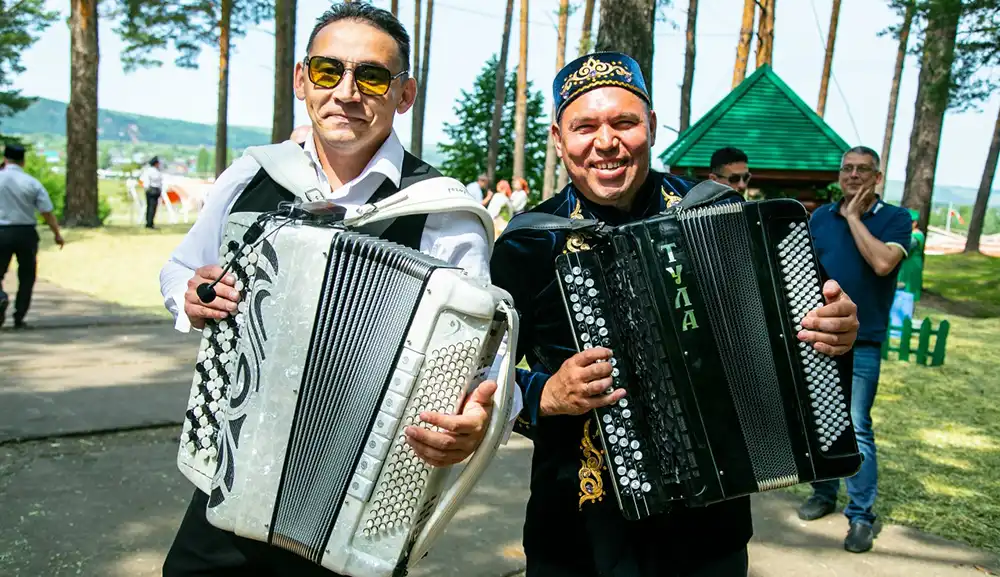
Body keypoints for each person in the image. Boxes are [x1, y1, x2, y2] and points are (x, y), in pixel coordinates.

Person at [158, 5, 520, 575]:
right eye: (328, 71)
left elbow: (489, 366)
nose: (346, 92)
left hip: (362, 504)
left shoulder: (444, 213)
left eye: (371, 77)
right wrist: (191, 294)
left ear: (404, 95)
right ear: (301, 80)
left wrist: (478, 419)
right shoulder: (252, 175)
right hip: (230, 472)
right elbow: (180, 268)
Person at [490, 52, 860, 577]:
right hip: (577, 524)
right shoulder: (527, 244)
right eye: (584, 127)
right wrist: (543, 395)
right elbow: (478, 375)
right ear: (557, 137)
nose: (605, 142)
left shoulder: (718, 210)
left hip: (709, 530)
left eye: (624, 123)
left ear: (651, 125)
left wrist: (835, 331)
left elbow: (797, 333)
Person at [797, 146, 913, 554]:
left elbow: (883, 263)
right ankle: (823, 492)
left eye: (863, 169)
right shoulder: (819, 218)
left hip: (863, 342)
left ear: (877, 177)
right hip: (820, 335)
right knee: (818, 417)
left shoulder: (896, 218)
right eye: (847, 168)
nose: (853, 175)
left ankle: (861, 515)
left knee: (857, 424)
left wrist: (853, 217)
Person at [0, 144, 64, 329]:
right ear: (23, 161)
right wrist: (57, 234)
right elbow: (46, 211)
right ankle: (19, 316)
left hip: (1, 231)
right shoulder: (32, 183)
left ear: (5, 158)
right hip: (26, 232)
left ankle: (1, 297)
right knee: (27, 275)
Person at [897, 208, 924, 300]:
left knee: (909, 289)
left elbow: (906, 246)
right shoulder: (910, 234)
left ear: (915, 223)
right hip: (905, 265)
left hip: (912, 265)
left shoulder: (916, 236)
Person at [140, 156, 164, 229]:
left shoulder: (156, 171)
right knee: (151, 207)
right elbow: (146, 181)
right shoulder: (150, 171)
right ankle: (149, 223)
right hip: (152, 190)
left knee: (152, 207)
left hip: (155, 190)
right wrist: (148, 189)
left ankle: (150, 222)